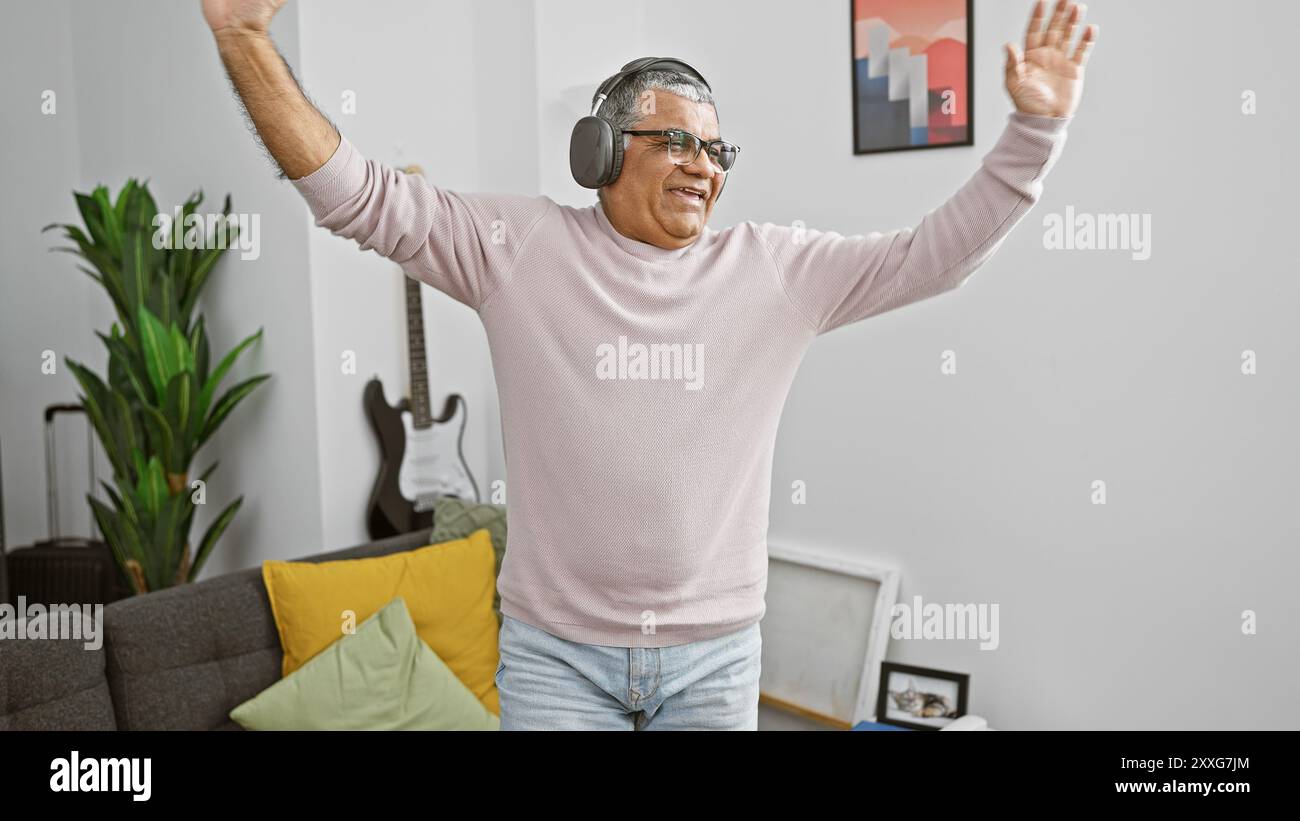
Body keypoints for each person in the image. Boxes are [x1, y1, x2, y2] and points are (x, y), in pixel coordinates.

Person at [202, 0, 1097, 730]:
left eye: (716, 149)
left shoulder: (775, 270)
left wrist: (1034, 132)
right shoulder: (516, 247)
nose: (703, 168)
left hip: (716, 659)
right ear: (600, 151)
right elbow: (353, 196)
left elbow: (931, 257)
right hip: (554, 660)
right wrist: (244, 37)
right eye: (677, 142)